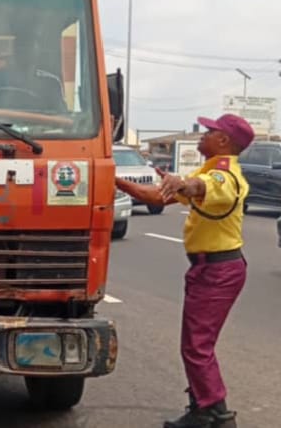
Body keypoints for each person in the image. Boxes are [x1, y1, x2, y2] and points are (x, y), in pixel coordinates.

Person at [115, 113, 254, 428]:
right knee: (194, 345)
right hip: (210, 269)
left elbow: (200, 187)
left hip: (218, 271)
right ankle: (201, 409)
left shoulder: (224, 176)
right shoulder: (209, 169)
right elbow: (156, 197)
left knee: (197, 346)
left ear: (224, 141)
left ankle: (217, 415)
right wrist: (114, 179)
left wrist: (183, 183)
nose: (202, 135)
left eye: (210, 131)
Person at [0, 35, 66, 111]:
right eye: (21, 50)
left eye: (29, 50)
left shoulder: (51, 84)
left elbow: (61, 119)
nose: (24, 55)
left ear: (36, 55)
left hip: (38, 133)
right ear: (14, 53)